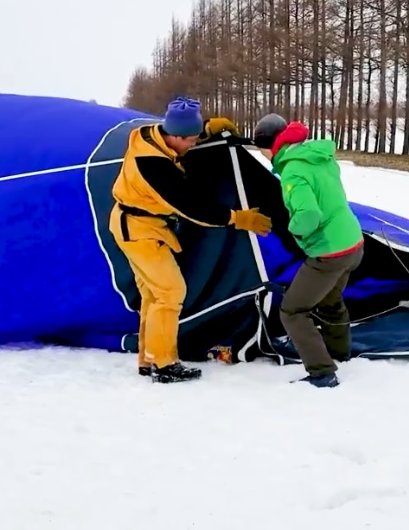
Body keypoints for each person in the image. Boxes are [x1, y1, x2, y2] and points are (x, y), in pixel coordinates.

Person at [109, 97, 273, 384]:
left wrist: (207, 127)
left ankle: (149, 358)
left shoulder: (157, 133)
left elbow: (183, 133)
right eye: (192, 141)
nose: (193, 145)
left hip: (143, 225)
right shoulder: (152, 166)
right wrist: (238, 218)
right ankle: (164, 364)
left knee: (153, 294)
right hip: (138, 231)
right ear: (175, 136)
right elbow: (193, 208)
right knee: (170, 292)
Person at [252, 113, 364, 388]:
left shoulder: (293, 171)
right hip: (353, 243)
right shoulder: (317, 155)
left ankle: (322, 371)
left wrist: (293, 230)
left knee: (292, 310)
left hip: (329, 253)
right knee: (330, 300)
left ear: (270, 146)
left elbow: (309, 214)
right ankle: (339, 353)